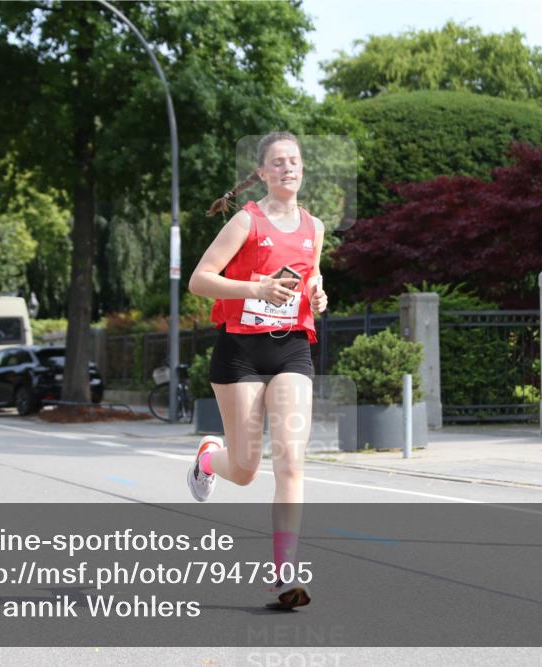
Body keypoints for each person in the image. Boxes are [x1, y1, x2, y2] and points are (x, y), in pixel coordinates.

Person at [187, 131, 329, 610]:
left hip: (291, 349)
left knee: (290, 461)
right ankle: (210, 457)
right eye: (278, 162)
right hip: (241, 354)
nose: (289, 168)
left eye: (295, 161)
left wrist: (316, 295)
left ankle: (284, 572)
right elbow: (200, 281)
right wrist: (256, 290)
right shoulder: (246, 221)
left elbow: (312, 275)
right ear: (263, 172)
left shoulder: (315, 226)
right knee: (245, 470)